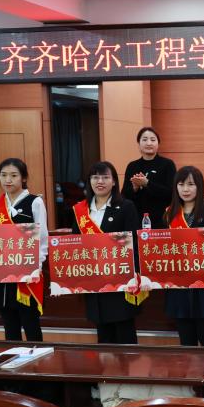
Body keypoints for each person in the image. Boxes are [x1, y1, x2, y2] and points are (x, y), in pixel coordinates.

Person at [71, 161, 142, 345]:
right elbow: (75, 246)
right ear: (89, 181)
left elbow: (135, 243)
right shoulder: (81, 210)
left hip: (120, 281)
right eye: (95, 177)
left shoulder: (126, 207)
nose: (100, 181)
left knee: (125, 336)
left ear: (114, 181)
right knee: (103, 338)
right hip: (94, 281)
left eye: (105, 177)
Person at [161, 166, 204, 347]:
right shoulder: (169, 213)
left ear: (199, 186)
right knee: (186, 341)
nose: (185, 189)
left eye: (190, 184)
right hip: (179, 286)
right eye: (181, 184)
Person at [0, 158, 47, 341]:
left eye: (13, 175)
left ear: (24, 178)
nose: (8, 180)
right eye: (3, 175)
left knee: (30, 323)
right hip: (2, 274)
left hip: (27, 274)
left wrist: (36, 267)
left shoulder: (35, 202)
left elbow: (42, 238)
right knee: (9, 324)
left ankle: (37, 357)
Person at [122, 126, 176, 229]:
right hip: (137, 221)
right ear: (138, 144)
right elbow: (124, 196)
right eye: (144, 139)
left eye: (153, 140)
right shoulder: (132, 166)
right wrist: (135, 188)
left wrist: (147, 183)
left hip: (162, 220)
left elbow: (172, 193)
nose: (149, 143)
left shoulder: (167, 164)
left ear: (158, 143)